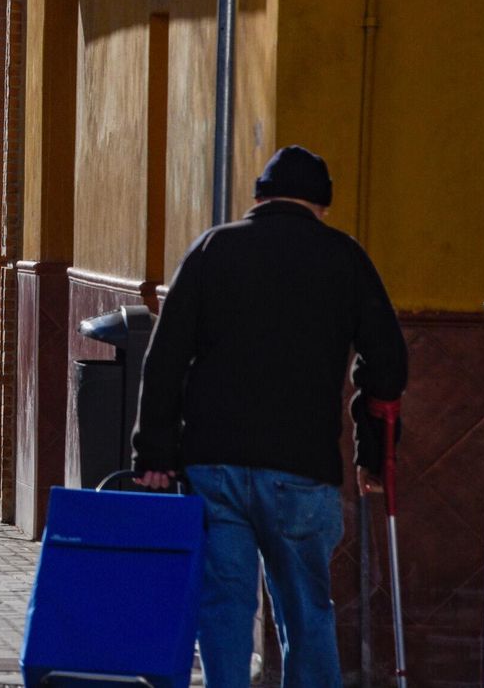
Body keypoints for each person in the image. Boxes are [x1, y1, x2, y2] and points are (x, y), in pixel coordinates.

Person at [132, 146, 407, 688]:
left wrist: (155, 454)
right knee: (307, 610)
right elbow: (388, 364)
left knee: (224, 604)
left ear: (259, 197)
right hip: (301, 469)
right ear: (321, 205)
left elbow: (164, 358)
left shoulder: (213, 249)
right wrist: (370, 451)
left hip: (214, 465)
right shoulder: (343, 257)